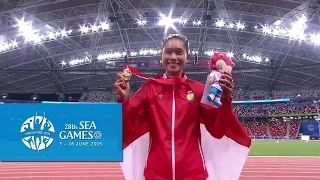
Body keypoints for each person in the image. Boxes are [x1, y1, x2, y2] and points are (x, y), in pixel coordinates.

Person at [114, 34, 251, 180]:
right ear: (161, 57)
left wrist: (225, 99)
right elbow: (128, 125)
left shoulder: (199, 91)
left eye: (179, 52)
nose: (173, 57)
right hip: (156, 174)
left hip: (192, 174)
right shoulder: (149, 89)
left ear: (188, 57)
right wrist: (124, 99)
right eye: (168, 52)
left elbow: (217, 130)